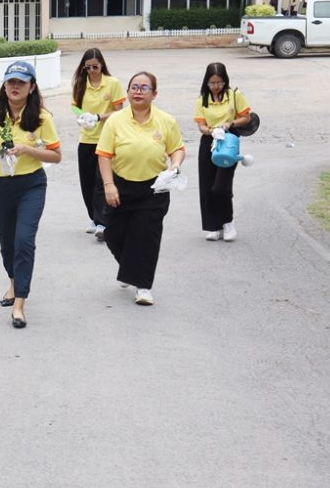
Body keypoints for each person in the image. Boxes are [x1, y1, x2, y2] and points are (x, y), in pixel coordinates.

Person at [0, 61, 61, 328]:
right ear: (5, 86)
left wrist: (28, 149)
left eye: (21, 82)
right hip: (0, 185)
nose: (15, 87)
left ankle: (20, 302)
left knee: (24, 240)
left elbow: (56, 155)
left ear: (32, 87)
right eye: (11, 82)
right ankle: (13, 281)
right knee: (7, 242)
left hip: (31, 185)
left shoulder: (42, 118)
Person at [96, 72, 185, 307]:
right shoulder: (115, 121)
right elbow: (104, 155)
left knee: (146, 236)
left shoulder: (166, 121)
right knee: (112, 234)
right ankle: (130, 267)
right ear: (127, 92)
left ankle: (143, 287)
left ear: (154, 94)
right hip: (121, 185)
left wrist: (175, 166)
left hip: (154, 187)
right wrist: (109, 185)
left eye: (144, 88)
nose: (138, 92)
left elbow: (177, 149)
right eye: (134, 87)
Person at [70, 48, 125, 239]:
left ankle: (103, 221)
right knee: (87, 182)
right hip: (86, 139)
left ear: (102, 65)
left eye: (95, 67)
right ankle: (93, 218)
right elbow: (75, 107)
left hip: (106, 139)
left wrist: (98, 117)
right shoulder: (80, 84)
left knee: (102, 181)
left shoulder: (112, 83)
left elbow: (119, 110)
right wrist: (82, 117)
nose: (92, 71)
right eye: (88, 68)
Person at [193, 62, 252, 242]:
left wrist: (230, 123)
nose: (216, 86)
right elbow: (201, 126)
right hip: (209, 141)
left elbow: (246, 117)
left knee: (221, 187)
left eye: (219, 82)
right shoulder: (202, 100)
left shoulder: (234, 95)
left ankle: (228, 222)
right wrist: (211, 131)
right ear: (206, 82)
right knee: (207, 186)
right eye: (212, 83)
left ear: (225, 80)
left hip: (229, 142)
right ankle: (214, 226)